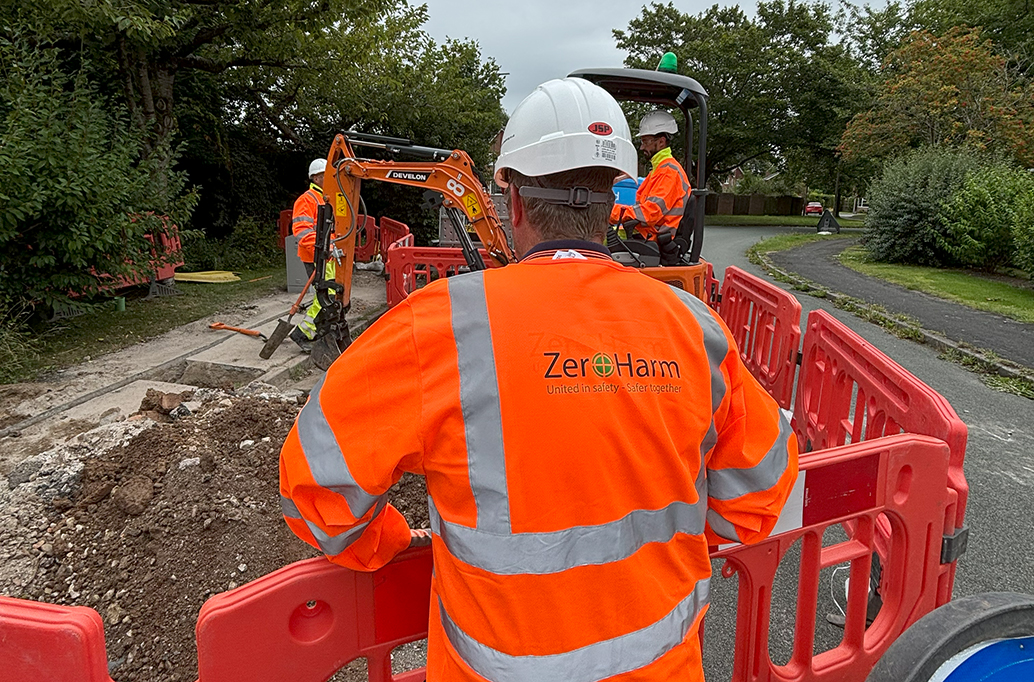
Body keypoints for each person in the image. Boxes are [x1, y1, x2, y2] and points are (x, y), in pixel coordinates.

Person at [279, 78, 798, 682]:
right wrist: (670, 539)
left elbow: (318, 492)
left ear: (515, 203)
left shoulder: (438, 326)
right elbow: (759, 494)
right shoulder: (696, 328)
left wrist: (392, 543)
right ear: (612, 203)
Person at [610, 110, 692, 260]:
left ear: (661, 142)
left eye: (645, 142)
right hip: (648, 236)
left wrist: (610, 211)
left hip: (654, 240)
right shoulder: (659, 170)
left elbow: (649, 214)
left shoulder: (668, 172)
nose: (642, 147)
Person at [289, 158, 335, 352]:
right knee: (326, 295)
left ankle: (318, 330)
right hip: (316, 256)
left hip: (326, 256)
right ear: (316, 177)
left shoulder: (325, 198)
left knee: (328, 294)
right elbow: (301, 231)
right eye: (327, 176)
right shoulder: (307, 199)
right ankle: (303, 332)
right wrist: (322, 250)